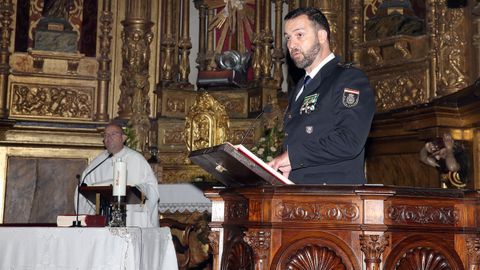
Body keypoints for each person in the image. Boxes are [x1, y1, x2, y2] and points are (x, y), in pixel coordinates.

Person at [268, 7, 375, 184]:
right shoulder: (300, 87)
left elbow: (350, 139)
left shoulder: (348, 79)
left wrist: (293, 156)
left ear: (322, 36)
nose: (291, 44)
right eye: (288, 38)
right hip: (299, 194)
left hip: (333, 198)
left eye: (299, 35)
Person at [76, 122, 159, 227]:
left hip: (131, 219)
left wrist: (136, 190)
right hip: (103, 219)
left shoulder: (136, 159)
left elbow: (151, 188)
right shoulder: (97, 162)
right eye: (105, 135)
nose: (108, 138)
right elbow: (83, 187)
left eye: (113, 134)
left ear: (123, 138)